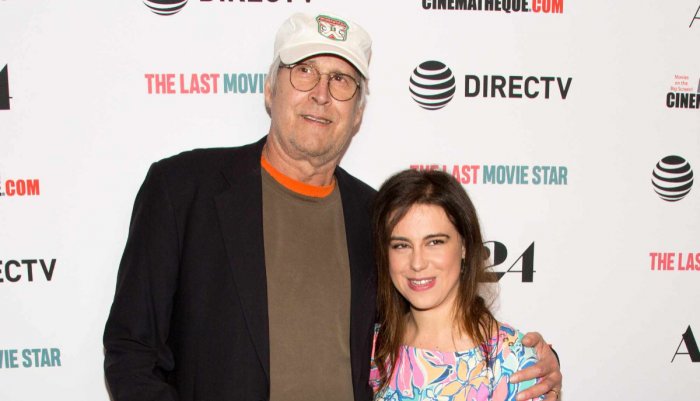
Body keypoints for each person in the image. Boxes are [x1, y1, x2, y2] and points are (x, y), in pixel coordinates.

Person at [103, 11, 561, 401]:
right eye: (304, 71)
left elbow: (426, 331)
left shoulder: (377, 215)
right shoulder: (183, 189)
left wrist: (534, 359)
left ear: (358, 112)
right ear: (270, 89)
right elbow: (131, 351)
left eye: (341, 80)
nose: (321, 93)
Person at [369, 169, 559, 401]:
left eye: (434, 242)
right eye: (401, 245)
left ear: (464, 246)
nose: (417, 263)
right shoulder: (373, 349)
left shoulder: (513, 360)